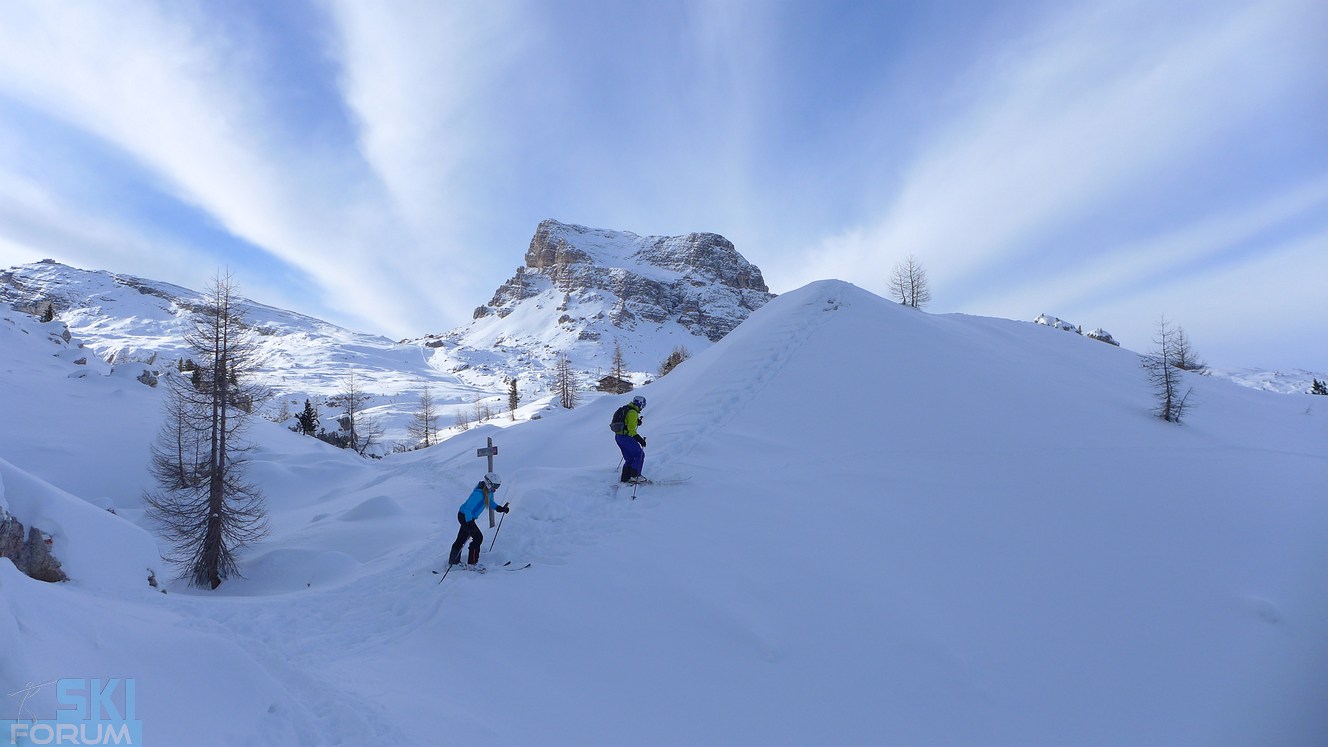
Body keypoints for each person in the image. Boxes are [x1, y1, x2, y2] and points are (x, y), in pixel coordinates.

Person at [448, 471, 509, 570]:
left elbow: (491, 502)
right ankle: (472, 564)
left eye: (498, 487)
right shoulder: (479, 493)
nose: (496, 489)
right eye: (495, 486)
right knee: (478, 538)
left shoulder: (489, 492)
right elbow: (468, 508)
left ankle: (453, 562)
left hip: (468, 517)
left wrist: (500, 508)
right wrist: (469, 523)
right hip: (465, 516)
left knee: (462, 539)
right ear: (488, 483)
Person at [613, 395, 649, 483]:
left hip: (618, 437)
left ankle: (625, 478)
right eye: (643, 405)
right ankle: (635, 476)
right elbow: (631, 429)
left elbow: (627, 422)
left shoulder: (627, 409)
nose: (642, 407)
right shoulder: (633, 412)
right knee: (639, 454)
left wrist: (637, 421)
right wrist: (639, 439)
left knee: (629, 458)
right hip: (626, 438)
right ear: (639, 404)